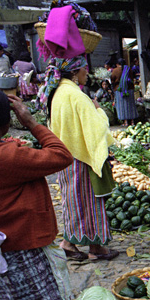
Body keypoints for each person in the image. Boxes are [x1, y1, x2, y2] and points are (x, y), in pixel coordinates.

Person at [0, 88, 86, 300]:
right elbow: (61, 156)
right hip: (21, 248)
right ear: (5, 123)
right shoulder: (5, 156)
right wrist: (32, 123)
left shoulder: (5, 152)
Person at [38, 55, 119, 261]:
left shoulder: (58, 92)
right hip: (80, 157)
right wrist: (100, 112)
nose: (87, 73)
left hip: (66, 155)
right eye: (84, 69)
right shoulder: (76, 95)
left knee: (75, 202)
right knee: (88, 202)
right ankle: (77, 244)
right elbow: (96, 128)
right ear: (74, 72)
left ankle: (88, 245)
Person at [112, 59, 138, 126]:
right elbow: (132, 78)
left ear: (117, 64)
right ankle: (132, 122)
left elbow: (112, 79)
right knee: (131, 105)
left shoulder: (115, 70)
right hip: (129, 89)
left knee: (122, 106)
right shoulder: (129, 70)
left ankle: (125, 122)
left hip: (120, 89)